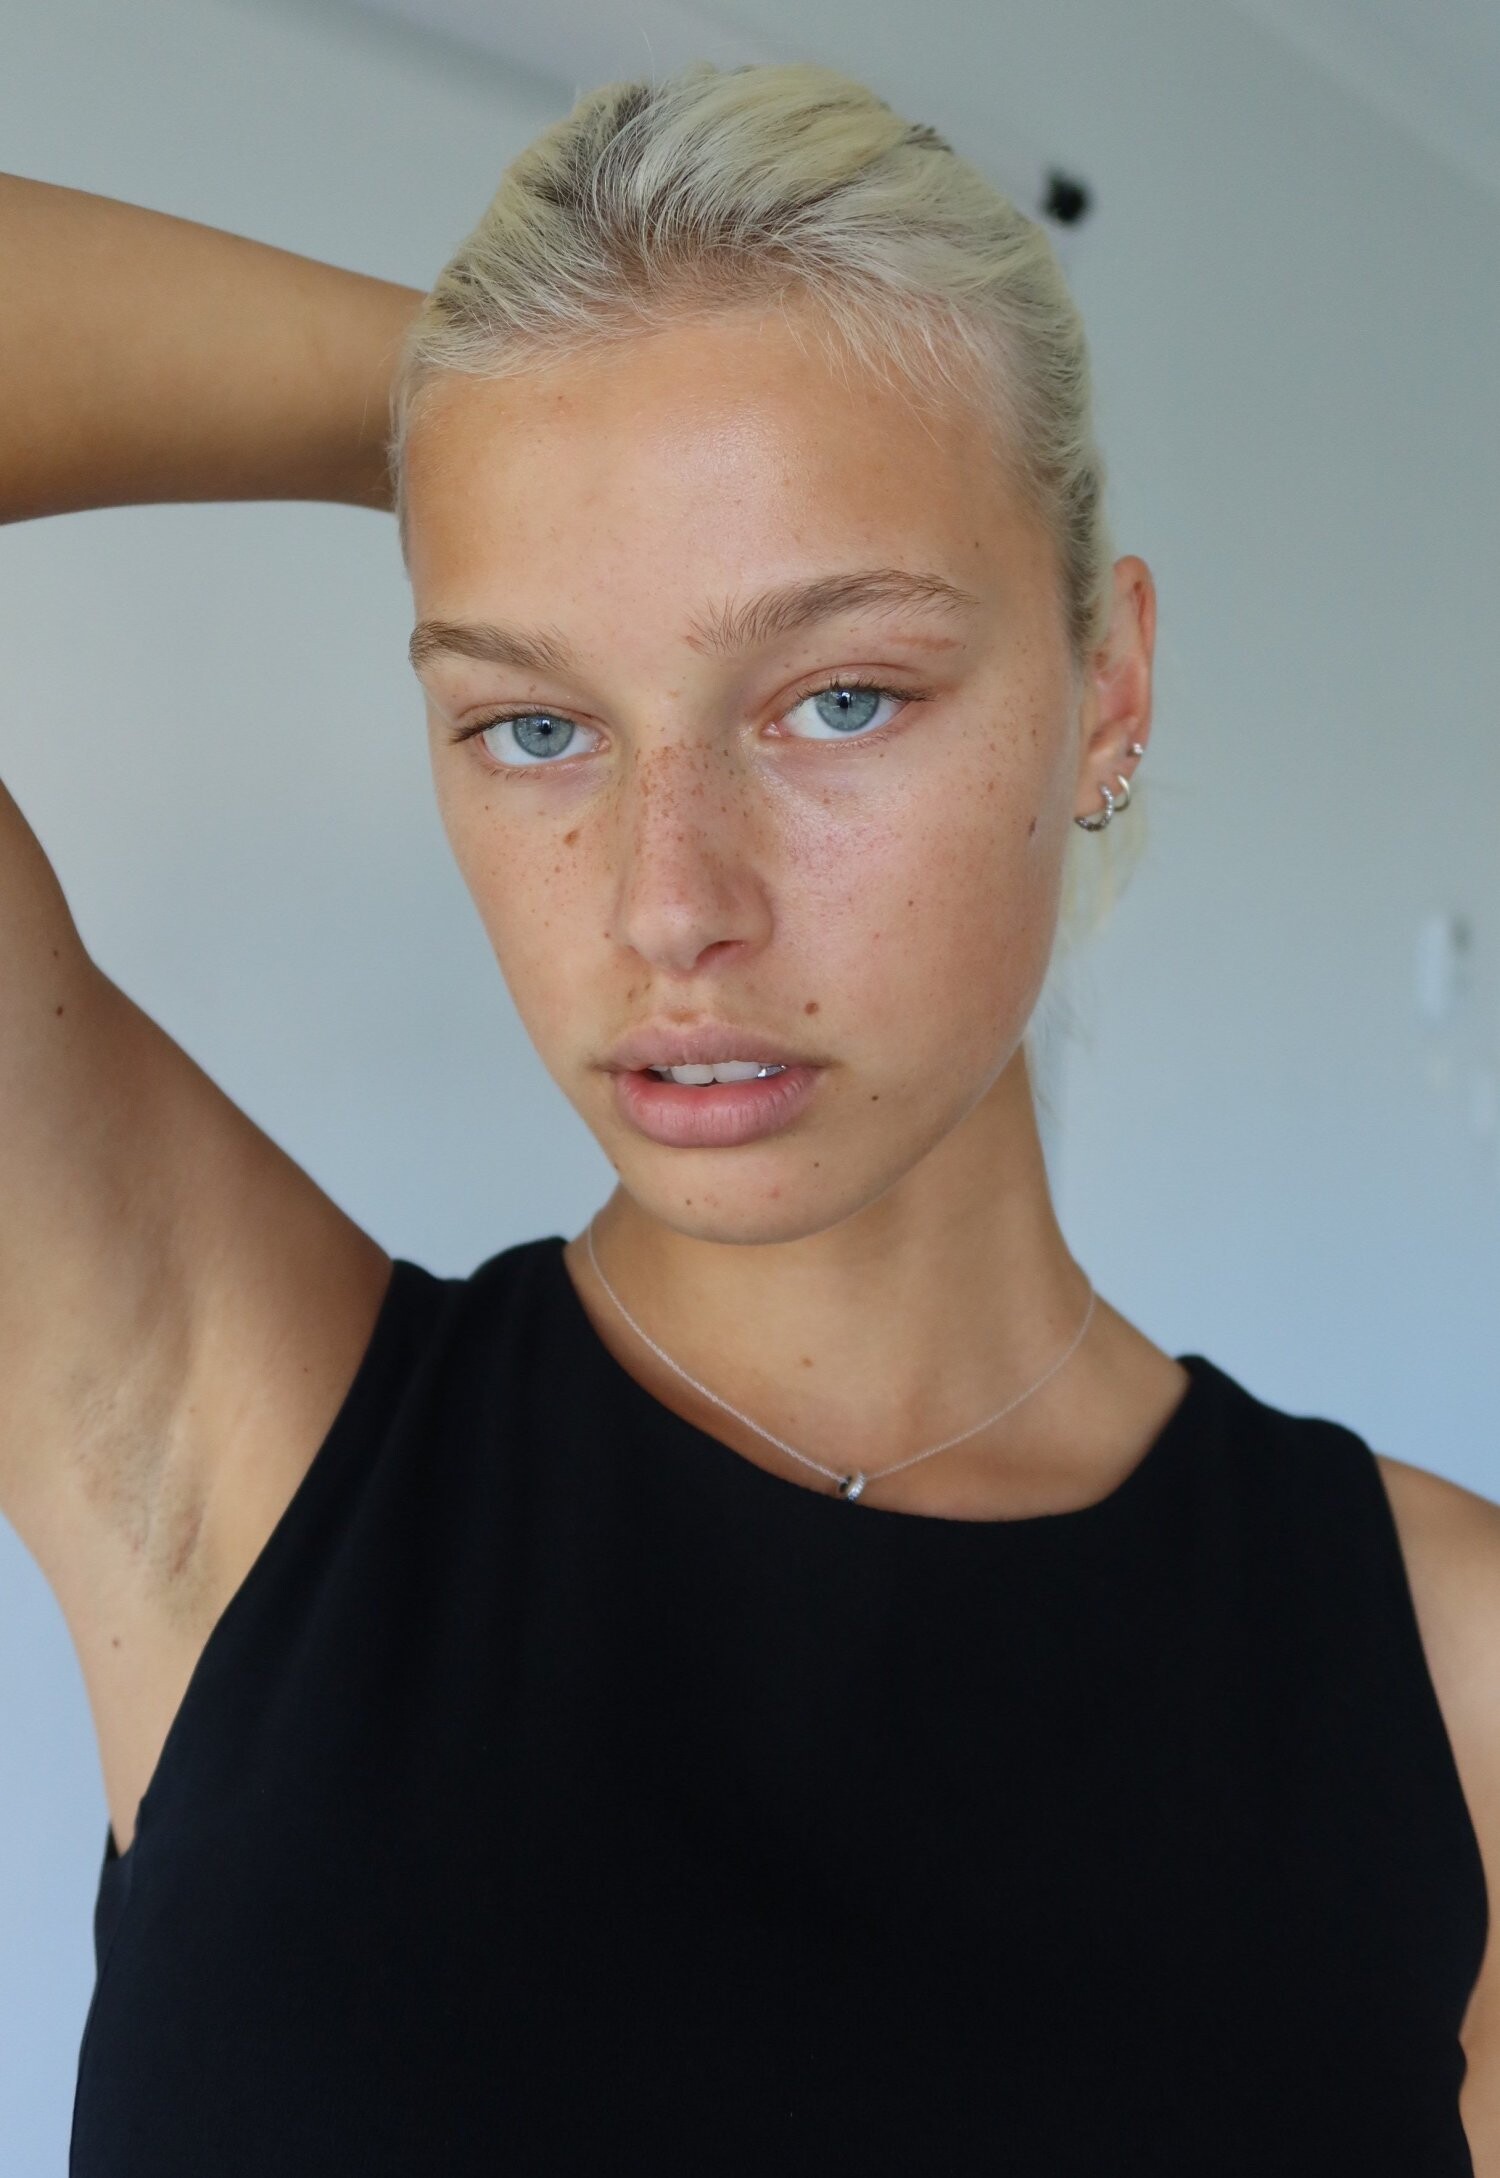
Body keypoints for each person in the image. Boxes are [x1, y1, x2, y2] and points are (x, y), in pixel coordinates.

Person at [1, 57, 1496, 2177]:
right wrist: (467, 405)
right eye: (535, 721)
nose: (668, 903)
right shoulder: (229, 1455)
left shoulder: (1454, 1673)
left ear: (1110, 687)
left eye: (838, 698)